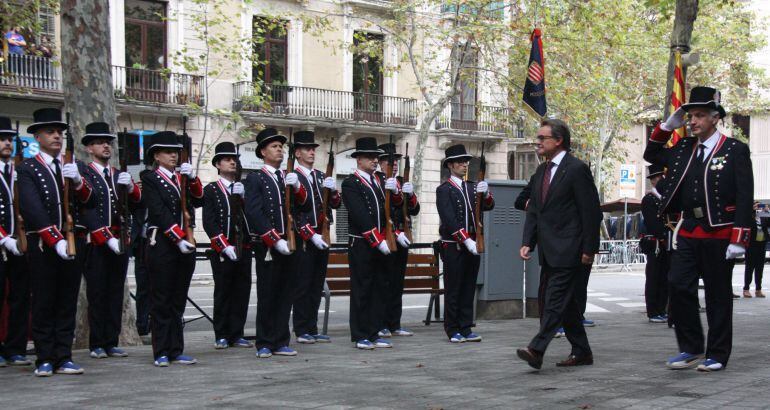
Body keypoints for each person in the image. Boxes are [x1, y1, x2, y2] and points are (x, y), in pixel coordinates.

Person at [644, 86, 753, 372]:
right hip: (688, 230)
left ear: (715, 118)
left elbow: (745, 195)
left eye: (700, 115)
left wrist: (739, 238)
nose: (693, 121)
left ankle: (717, 353)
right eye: (690, 116)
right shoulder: (683, 148)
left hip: (720, 231)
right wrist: (667, 127)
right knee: (678, 285)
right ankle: (691, 347)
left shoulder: (734, 149)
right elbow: (651, 154)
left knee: (718, 295)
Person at [516, 118, 601, 370]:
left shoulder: (576, 169)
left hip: (571, 249)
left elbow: (591, 212)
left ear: (559, 140)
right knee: (567, 303)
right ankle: (582, 352)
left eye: (542, 138)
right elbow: (535, 211)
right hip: (549, 250)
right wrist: (528, 241)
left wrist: (589, 249)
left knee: (553, 300)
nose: (538, 142)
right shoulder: (541, 171)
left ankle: (537, 349)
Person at [18, 108, 95, 376]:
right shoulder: (28, 168)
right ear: (37, 137)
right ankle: (45, 357)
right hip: (44, 245)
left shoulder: (74, 166)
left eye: (60, 133)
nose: (56, 137)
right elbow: (32, 207)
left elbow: (90, 202)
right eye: (50, 132)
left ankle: (63, 356)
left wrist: (79, 182)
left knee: (67, 300)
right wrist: (55, 239)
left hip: (73, 242)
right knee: (44, 300)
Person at [244, 128, 309, 358]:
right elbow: (254, 212)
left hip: (290, 242)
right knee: (268, 293)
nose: (279, 150)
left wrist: (299, 188)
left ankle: (281, 340)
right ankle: (264, 342)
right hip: (269, 245)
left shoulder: (287, 177)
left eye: (281, 146)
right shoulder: (255, 178)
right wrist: (273, 239)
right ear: (263, 152)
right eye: (274, 146)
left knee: (286, 293)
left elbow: (303, 207)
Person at [79, 122, 142, 359]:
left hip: (120, 240)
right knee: (97, 293)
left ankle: (111, 341)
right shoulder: (85, 173)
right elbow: (86, 209)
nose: (105, 146)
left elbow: (137, 204)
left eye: (108, 142)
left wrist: (132, 188)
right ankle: (97, 342)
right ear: (89, 148)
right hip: (96, 243)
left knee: (116, 292)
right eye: (99, 143)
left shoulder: (118, 174)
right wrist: (105, 238)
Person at [141, 131, 204, 367]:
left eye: (176, 152)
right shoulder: (150, 178)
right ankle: (161, 351)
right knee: (162, 299)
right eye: (168, 152)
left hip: (185, 243)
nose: (174, 156)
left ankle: (176, 349)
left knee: (178, 300)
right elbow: (158, 211)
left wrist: (193, 179)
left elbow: (199, 200)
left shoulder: (182, 178)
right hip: (163, 242)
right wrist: (178, 238)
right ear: (156, 156)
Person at [341, 137, 399, 350]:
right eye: (370, 157)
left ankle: (374, 331)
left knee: (379, 288)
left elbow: (391, 210)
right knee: (362, 289)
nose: (375, 160)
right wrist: (377, 240)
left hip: (381, 242)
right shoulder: (351, 183)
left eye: (376, 157)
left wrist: (396, 192)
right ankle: (360, 334)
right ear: (359, 159)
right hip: (362, 244)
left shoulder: (379, 181)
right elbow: (360, 216)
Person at [436, 144, 495, 344]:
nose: (464, 165)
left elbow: (489, 206)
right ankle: (452, 329)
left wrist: (486, 194)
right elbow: (449, 219)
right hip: (454, 246)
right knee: (454, 288)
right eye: (460, 162)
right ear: (450, 165)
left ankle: (466, 326)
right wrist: (465, 239)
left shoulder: (471, 187)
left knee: (469, 287)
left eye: (466, 161)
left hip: (473, 244)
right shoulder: (444, 190)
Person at [291, 131, 341, 345]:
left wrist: (334, 191)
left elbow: (335, 204)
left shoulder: (321, 176)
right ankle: (301, 329)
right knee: (302, 285)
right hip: (304, 239)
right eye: (307, 149)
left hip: (323, 236)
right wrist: (309, 234)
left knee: (316, 284)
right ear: (297, 153)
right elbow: (293, 210)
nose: (312, 152)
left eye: (313, 149)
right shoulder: (293, 177)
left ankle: (312, 327)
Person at [203, 142, 254, 350]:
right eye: (227, 159)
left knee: (242, 291)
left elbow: (251, 217)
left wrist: (244, 198)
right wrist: (223, 245)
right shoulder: (211, 190)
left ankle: (237, 333)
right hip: (223, 249)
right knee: (223, 291)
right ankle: (222, 334)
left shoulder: (244, 188)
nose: (232, 162)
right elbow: (209, 221)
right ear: (218, 164)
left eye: (234, 159)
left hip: (244, 247)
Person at [376, 143, 420, 338]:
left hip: (402, 238)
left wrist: (410, 195)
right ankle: (381, 323)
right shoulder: (378, 181)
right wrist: (394, 233)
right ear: (381, 163)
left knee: (397, 283)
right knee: (384, 282)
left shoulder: (402, 182)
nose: (394, 165)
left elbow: (414, 210)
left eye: (396, 162)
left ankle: (394, 323)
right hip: (387, 238)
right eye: (390, 161)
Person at [0, 117, 32, 368]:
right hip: (3, 242)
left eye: (9, 139)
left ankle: (16, 347)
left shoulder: (19, 171)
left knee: (21, 296)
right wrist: (3, 238)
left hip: (19, 243)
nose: (7, 143)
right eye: (2, 139)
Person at [640, 164, 669, 323]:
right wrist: (663, 236)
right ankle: (653, 311)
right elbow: (653, 223)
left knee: (664, 277)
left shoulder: (666, 198)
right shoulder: (649, 199)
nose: (660, 180)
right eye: (657, 178)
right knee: (653, 277)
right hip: (655, 243)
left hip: (666, 243)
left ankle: (662, 308)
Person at [743, 202, 769, 298]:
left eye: (759, 206)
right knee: (749, 267)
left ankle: (758, 289)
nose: (758, 208)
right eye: (756, 206)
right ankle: (746, 289)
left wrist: (767, 212)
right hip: (751, 245)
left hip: (761, 244)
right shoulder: (749, 216)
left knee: (760, 268)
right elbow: (746, 223)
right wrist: (751, 210)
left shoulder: (763, 216)